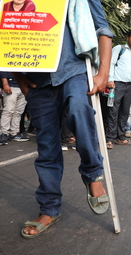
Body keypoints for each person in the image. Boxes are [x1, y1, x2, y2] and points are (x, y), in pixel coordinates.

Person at [12, 0, 113, 238]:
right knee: (47, 146)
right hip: (37, 78)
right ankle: (49, 209)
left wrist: (104, 73)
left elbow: (103, 29)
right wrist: (17, 75)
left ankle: (92, 173)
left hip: (74, 70)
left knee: (79, 109)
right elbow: (9, 35)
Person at [106, 30, 131, 147]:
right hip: (117, 84)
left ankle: (120, 137)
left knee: (125, 112)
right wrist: (110, 79)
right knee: (113, 111)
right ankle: (109, 138)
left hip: (129, 87)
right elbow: (111, 63)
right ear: (128, 38)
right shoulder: (120, 49)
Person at [0, 71, 29, 144]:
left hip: (23, 86)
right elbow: (4, 69)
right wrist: (5, 84)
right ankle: (3, 133)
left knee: (18, 112)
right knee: (8, 111)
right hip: (11, 85)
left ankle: (14, 133)